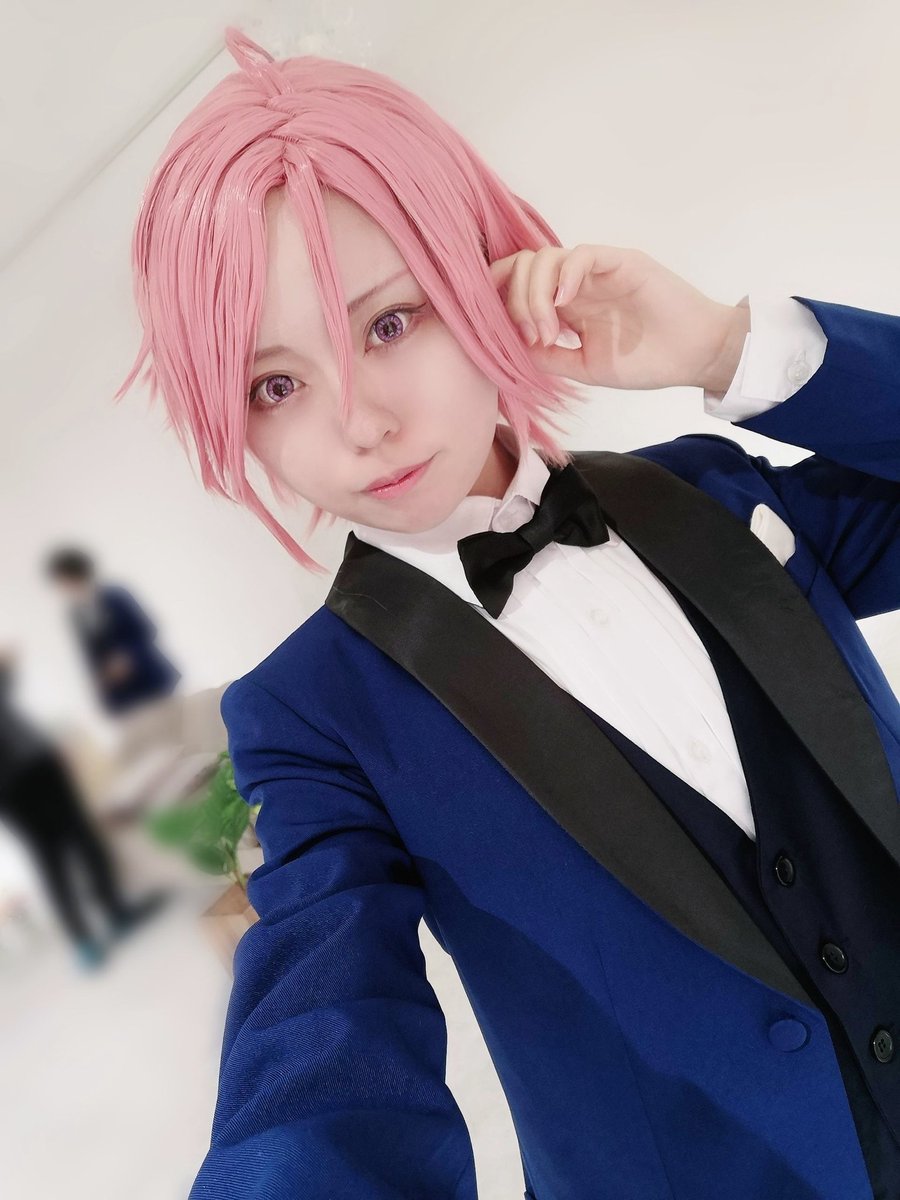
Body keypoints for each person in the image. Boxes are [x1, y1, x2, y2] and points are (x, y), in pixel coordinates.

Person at [116, 27, 900, 1199]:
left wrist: (723, 346)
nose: (359, 423)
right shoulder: (307, 715)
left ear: (481, 274)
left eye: (387, 324)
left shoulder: (715, 490)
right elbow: (325, 1032)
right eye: (275, 385)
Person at [0, 648, 170, 971]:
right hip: (13, 788)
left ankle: (115, 912)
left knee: (83, 839)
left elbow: (6, 677)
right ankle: (83, 939)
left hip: (39, 765)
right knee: (50, 859)